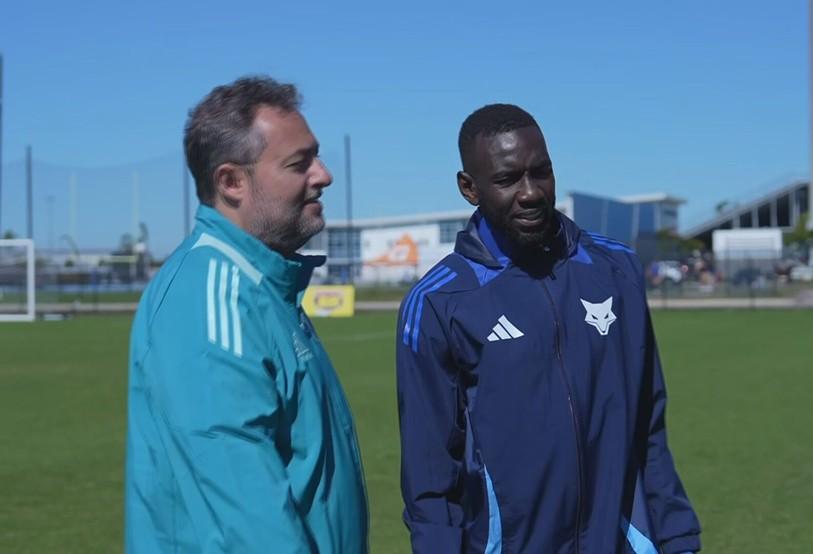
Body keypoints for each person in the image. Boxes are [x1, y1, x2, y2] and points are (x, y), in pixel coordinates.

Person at [396, 104, 701, 553]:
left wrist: (678, 539)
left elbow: (648, 427)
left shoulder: (616, 270)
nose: (531, 192)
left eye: (541, 172)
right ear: (469, 188)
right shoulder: (439, 302)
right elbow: (430, 478)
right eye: (507, 179)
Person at [125, 76, 368, 553]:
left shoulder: (261, 285)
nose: (323, 175)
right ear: (232, 182)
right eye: (300, 163)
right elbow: (250, 521)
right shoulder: (211, 298)